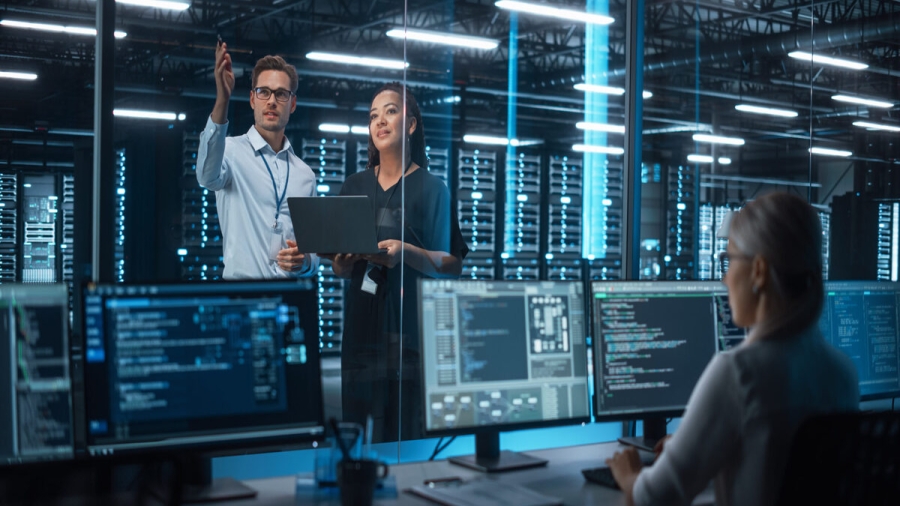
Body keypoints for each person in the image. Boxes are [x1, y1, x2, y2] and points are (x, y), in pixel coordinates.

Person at [607, 192, 858, 506]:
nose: (725, 279)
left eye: (729, 260)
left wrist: (628, 473)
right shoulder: (843, 373)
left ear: (758, 271)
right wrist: (698, 446)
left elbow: (657, 497)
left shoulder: (739, 372)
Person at [325, 82, 468, 442]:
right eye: (373, 116)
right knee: (357, 434)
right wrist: (341, 262)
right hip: (360, 333)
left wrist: (406, 252)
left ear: (411, 124)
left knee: (404, 434)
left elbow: (454, 263)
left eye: (390, 111)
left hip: (409, 336)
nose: (380, 121)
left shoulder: (433, 188)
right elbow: (341, 270)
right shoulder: (354, 185)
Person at [196, 40, 317, 279]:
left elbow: (313, 258)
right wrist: (223, 99)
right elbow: (206, 176)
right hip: (241, 298)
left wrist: (304, 262)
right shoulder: (229, 151)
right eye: (264, 92)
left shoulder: (305, 175)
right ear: (253, 99)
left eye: (281, 94)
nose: (272, 101)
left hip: (286, 300)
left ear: (292, 104)